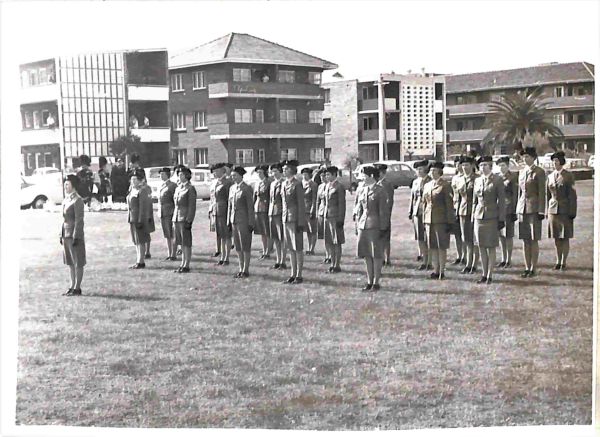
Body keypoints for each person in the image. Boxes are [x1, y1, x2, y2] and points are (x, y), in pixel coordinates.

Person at [472, 156, 506, 284]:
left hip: (492, 216)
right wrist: (472, 217)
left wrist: (501, 218)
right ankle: (483, 274)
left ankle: (490, 274)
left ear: (491, 166)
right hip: (479, 217)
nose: (483, 167)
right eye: (481, 165)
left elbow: (501, 201)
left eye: (485, 165)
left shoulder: (497, 180)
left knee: (491, 246)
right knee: (481, 246)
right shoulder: (478, 181)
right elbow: (475, 201)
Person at [355, 166, 387, 291]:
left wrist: (383, 228)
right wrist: (358, 225)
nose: (361, 178)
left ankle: (376, 282)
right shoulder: (363, 190)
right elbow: (360, 210)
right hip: (363, 225)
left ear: (371, 176)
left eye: (363, 175)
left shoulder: (380, 191)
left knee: (376, 254)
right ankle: (369, 281)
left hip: (375, 225)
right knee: (366, 254)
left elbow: (383, 211)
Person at [516, 147, 546, 277]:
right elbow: (520, 193)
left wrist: (541, 210)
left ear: (533, 158)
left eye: (527, 156)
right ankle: (527, 267)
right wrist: (518, 208)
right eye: (523, 157)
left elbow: (542, 192)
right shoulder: (522, 172)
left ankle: (533, 267)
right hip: (522, 208)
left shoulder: (539, 172)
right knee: (525, 239)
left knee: (533, 239)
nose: (525, 159)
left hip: (533, 208)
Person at [422, 162, 455, 280]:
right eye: (431, 170)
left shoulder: (445, 185)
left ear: (440, 172)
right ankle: (435, 270)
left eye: (435, 171)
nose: (432, 173)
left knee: (441, 246)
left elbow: (449, 205)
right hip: (429, 219)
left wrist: (450, 221)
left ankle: (442, 270)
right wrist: (423, 220)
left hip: (441, 220)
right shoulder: (427, 185)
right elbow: (424, 203)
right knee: (432, 246)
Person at [546, 151, 577, 270]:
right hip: (553, 210)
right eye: (553, 161)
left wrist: (572, 211)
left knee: (565, 237)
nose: (555, 163)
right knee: (556, 237)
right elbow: (547, 195)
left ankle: (564, 261)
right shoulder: (549, 176)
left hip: (565, 209)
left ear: (562, 162)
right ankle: (558, 260)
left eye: (557, 161)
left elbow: (572, 195)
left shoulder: (568, 176)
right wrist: (546, 210)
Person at [281, 160, 307, 284]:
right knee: (290, 248)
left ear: (292, 170)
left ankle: (299, 275)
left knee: (298, 248)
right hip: (286, 218)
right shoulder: (284, 184)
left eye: (286, 169)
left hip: (295, 219)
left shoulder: (297, 184)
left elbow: (301, 205)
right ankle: (292, 273)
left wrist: (301, 223)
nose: (283, 171)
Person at [60, 174, 86, 296]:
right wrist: (61, 234)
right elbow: (63, 219)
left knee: (77, 262)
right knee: (70, 262)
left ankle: (77, 287)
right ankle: (72, 285)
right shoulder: (66, 199)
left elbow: (79, 220)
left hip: (74, 235)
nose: (65, 186)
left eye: (67, 184)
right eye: (65, 184)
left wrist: (76, 236)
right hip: (66, 234)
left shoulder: (78, 200)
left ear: (73, 185)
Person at [228, 166, 255, 278]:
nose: (232, 177)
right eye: (232, 175)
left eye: (234, 175)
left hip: (244, 220)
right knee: (238, 246)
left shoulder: (246, 188)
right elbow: (230, 206)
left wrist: (251, 223)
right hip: (234, 220)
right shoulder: (232, 188)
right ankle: (240, 268)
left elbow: (250, 207)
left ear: (240, 176)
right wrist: (228, 221)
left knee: (245, 245)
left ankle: (246, 269)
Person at [456, 156, 479, 274]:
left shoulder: (477, 179)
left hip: (475, 211)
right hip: (463, 211)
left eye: (467, 165)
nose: (465, 167)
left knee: (474, 238)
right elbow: (458, 197)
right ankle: (468, 263)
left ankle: (474, 263)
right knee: (465, 238)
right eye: (463, 165)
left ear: (472, 166)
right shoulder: (460, 179)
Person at [408, 159, 432, 270]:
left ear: (426, 169)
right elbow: (413, 198)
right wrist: (411, 211)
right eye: (417, 169)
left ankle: (429, 260)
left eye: (420, 169)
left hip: (427, 211)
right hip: (417, 211)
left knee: (428, 236)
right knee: (420, 237)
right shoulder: (415, 182)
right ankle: (423, 258)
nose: (418, 171)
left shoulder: (430, 181)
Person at [127, 169, 152, 269]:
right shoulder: (132, 190)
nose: (133, 181)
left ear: (140, 180)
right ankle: (138, 259)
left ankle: (141, 261)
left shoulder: (142, 191)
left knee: (141, 240)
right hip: (132, 218)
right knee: (136, 240)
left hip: (139, 219)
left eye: (135, 179)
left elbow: (143, 207)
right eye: (132, 179)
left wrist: (141, 220)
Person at [173, 167, 197, 273]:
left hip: (184, 218)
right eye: (178, 175)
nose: (180, 176)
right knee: (181, 242)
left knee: (186, 242)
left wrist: (189, 220)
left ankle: (186, 264)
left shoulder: (190, 188)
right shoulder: (178, 188)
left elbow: (192, 206)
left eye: (182, 174)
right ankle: (182, 263)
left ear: (187, 176)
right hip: (177, 217)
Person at [323, 166, 346, 273]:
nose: (326, 177)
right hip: (327, 216)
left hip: (336, 217)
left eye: (328, 174)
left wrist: (341, 219)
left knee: (337, 242)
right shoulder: (327, 186)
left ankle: (337, 264)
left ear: (334, 175)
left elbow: (342, 204)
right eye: (326, 175)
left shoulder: (339, 187)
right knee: (329, 241)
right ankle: (332, 263)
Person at [209, 163, 233, 265]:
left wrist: (230, 214)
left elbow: (230, 200)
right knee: (220, 235)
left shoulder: (228, 183)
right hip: (216, 211)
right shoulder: (215, 183)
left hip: (224, 211)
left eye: (217, 171)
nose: (214, 173)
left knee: (226, 235)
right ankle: (222, 257)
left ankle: (226, 257)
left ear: (222, 171)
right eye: (214, 171)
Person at [497, 156, 518, 268]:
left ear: (508, 165)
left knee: (508, 235)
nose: (501, 168)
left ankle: (508, 259)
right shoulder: (497, 177)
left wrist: (514, 210)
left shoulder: (513, 177)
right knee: (501, 236)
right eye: (500, 166)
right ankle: (503, 258)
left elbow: (515, 194)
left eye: (503, 165)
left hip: (509, 209)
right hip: (499, 209)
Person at [374, 163, 394, 266]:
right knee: (378, 238)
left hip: (384, 215)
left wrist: (387, 214)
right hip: (376, 215)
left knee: (386, 238)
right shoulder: (375, 184)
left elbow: (389, 200)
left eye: (378, 173)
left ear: (383, 173)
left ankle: (387, 258)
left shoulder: (387, 184)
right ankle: (380, 257)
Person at [268, 163, 287, 270]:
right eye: (272, 171)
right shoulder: (272, 183)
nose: (273, 173)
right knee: (275, 237)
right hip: (272, 212)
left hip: (280, 212)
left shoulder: (283, 183)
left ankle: (283, 261)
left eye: (275, 171)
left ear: (280, 172)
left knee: (282, 238)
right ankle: (278, 259)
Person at [158, 167, 177, 261]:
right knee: (167, 234)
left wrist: (174, 212)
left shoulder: (172, 185)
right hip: (163, 212)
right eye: (160, 174)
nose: (161, 176)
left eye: (163, 174)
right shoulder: (161, 185)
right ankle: (169, 253)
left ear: (167, 175)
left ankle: (173, 254)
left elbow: (175, 200)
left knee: (172, 233)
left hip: (170, 212)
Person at [253, 164, 271, 259]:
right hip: (258, 208)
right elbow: (254, 197)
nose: (259, 174)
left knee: (267, 230)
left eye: (260, 172)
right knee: (261, 231)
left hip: (266, 208)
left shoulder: (269, 182)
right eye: (258, 173)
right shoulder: (257, 183)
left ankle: (268, 250)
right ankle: (264, 250)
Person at [450, 155, 465, 265]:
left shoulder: (467, 177)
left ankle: (466, 255)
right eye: (456, 164)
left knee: (465, 234)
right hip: (455, 207)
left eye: (460, 164)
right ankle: (459, 255)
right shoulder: (455, 178)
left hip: (464, 207)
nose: (458, 166)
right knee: (457, 234)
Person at [301, 167, 318, 255]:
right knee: (307, 230)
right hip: (303, 209)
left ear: (310, 175)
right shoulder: (301, 184)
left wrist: (313, 209)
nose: (304, 176)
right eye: (303, 174)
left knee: (312, 230)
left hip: (310, 209)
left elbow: (314, 198)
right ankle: (308, 247)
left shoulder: (313, 185)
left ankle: (312, 248)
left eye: (306, 174)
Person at [315, 169, 331, 264]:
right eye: (321, 176)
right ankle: (327, 254)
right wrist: (317, 212)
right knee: (324, 235)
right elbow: (318, 201)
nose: (322, 178)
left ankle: (331, 255)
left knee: (330, 235)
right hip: (321, 212)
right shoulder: (320, 187)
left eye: (324, 176)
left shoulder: (330, 186)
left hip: (328, 212)